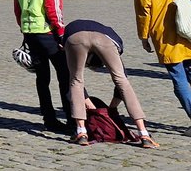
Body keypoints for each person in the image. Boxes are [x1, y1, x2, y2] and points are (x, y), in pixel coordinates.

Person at [63, 17, 157, 147]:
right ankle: (144, 133)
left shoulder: (66, 37)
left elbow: (69, 80)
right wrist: (111, 108)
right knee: (122, 80)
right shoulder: (113, 37)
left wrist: (95, 106)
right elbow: (123, 77)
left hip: (75, 36)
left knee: (76, 81)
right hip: (104, 39)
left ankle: (81, 132)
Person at [13, 0, 72, 133]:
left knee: (42, 79)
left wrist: (24, 29)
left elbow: (17, 10)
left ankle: (49, 118)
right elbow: (53, 9)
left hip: (29, 33)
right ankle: (72, 119)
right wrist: (61, 33)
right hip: (48, 33)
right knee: (65, 76)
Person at [134, 0, 191, 125]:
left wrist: (143, 37)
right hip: (188, 31)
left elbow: (144, 11)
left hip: (164, 34)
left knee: (179, 78)